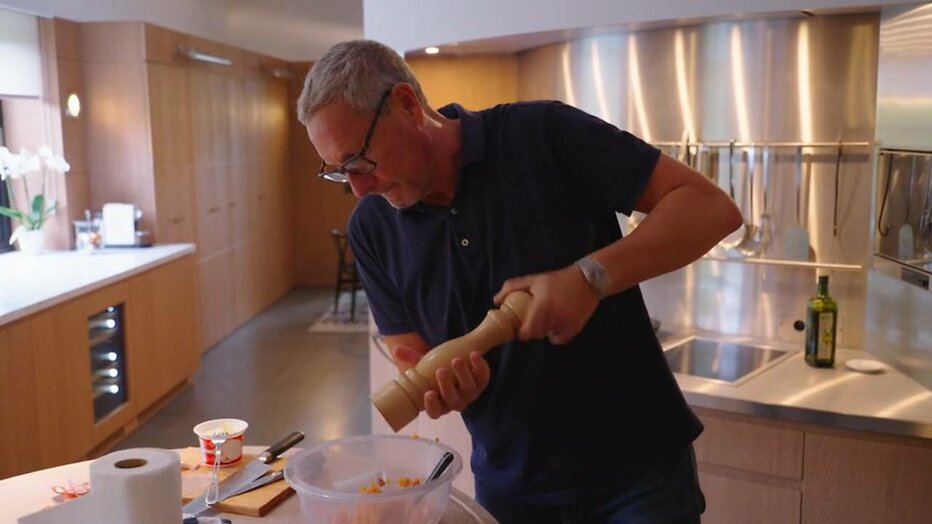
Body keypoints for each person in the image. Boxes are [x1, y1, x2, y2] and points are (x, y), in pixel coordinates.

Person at [297, 40, 742, 523]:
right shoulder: (371, 228)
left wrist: (589, 278)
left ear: (406, 104)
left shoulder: (542, 135)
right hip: (511, 488)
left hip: (637, 475)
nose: (358, 187)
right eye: (339, 172)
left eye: (359, 160)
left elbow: (710, 208)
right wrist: (444, 388)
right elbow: (413, 356)